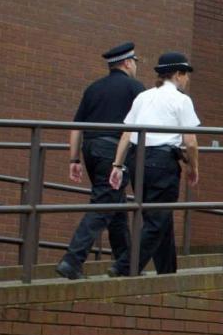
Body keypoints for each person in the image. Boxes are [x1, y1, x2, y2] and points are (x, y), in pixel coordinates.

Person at [56, 42, 146, 280]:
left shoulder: (93, 88)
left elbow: (76, 126)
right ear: (128, 62)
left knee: (114, 205)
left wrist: (73, 159)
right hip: (114, 152)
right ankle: (72, 260)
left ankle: (125, 263)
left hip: (90, 150)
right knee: (103, 204)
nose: (136, 66)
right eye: (135, 62)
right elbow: (143, 126)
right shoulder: (135, 88)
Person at [107, 52, 201, 276]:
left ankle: (167, 270)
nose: (187, 79)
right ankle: (124, 267)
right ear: (178, 74)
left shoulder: (143, 97)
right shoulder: (181, 100)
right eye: (186, 74)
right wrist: (193, 167)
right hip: (162, 161)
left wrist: (117, 165)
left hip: (136, 159)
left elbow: (127, 133)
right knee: (157, 220)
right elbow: (190, 141)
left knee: (158, 216)